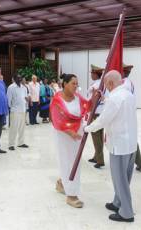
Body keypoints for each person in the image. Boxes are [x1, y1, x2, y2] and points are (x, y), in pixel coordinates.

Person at [84, 70, 137, 223]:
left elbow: (102, 120)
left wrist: (87, 128)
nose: (106, 86)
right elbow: (116, 106)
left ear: (110, 83)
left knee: (119, 179)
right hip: (130, 143)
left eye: (106, 84)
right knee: (124, 177)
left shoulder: (115, 98)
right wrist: (105, 98)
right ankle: (117, 202)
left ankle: (126, 213)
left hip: (119, 145)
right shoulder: (128, 94)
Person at [49, 73, 92, 208]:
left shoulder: (78, 97)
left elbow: (88, 106)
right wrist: (70, 133)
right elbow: (57, 120)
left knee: (75, 162)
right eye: (73, 83)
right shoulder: (57, 100)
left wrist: (97, 97)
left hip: (76, 135)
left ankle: (62, 183)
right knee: (67, 162)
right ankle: (71, 195)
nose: (76, 86)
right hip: (64, 136)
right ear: (65, 84)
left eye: (76, 83)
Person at [122, 64, 141, 172]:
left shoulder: (125, 84)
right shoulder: (126, 82)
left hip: (126, 114)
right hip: (127, 114)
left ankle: (135, 161)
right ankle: (138, 162)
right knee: (130, 138)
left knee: (129, 138)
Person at [87, 64, 106, 168]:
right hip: (101, 112)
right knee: (99, 136)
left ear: (95, 74)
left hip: (95, 112)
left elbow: (93, 100)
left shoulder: (95, 86)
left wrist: (90, 112)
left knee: (96, 137)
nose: (91, 75)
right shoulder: (101, 84)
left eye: (92, 73)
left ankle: (100, 160)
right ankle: (96, 156)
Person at [7, 74, 30, 151]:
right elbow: (8, 100)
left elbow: (25, 97)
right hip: (15, 111)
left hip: (23, 110)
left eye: (20, 78)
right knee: (14, 128)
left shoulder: (24, 87)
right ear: (14, 79)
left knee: (22, 128)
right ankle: (11, 144)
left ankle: (21, 143)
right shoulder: (11, 87)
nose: (20, 79)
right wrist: (12, 107)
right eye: (18, 78)